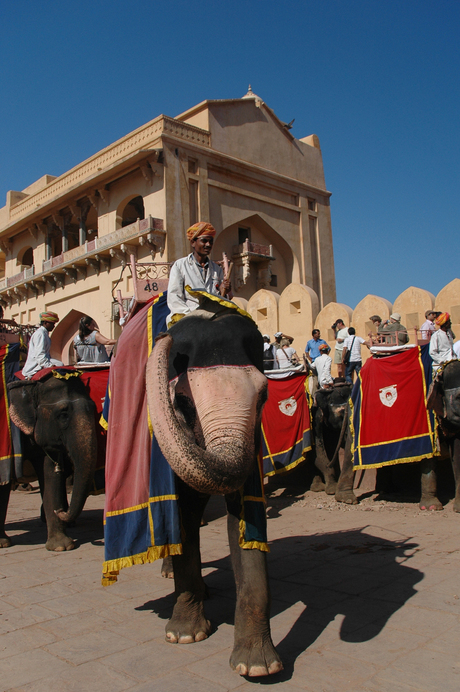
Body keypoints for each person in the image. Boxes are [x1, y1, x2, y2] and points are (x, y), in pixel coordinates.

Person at [166, 222, 231, 326]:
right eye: (204, 241)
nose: (208, 245)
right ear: (193, 242)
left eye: (211, 242)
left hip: (211, 319)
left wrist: (224, 292)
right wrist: (193, 318)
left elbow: (220, 300)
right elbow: (174, 298)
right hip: (186, 318)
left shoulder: (217, 269)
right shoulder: (180, 266)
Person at [22, 312, 63, 379]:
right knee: (59, 365)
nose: (54, 326)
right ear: (45, 323)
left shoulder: (45, 334)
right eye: (52, 324)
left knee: (60, 364)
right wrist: (49, 366)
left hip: (43, 361)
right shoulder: (40, 334)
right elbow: (39, 355)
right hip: (36, 365)